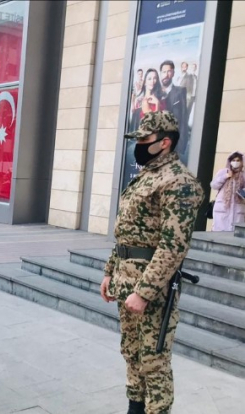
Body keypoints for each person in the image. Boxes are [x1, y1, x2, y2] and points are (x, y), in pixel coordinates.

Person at [99, 111, 203, 414]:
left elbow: (173, 246)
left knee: (154, 361)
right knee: (131, 353)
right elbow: (125, 234)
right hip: (125, 281)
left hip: (151, 290)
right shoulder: (146, 177)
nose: (139, 146)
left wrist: (144, 292)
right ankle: (135, 406)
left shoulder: (179, 182)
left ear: (165, 143)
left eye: (145, 140)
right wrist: (109, 273)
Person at [159, 60, 189, 156]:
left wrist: (181, 147)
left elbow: (184, 119)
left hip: (174, 146)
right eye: (164, 72)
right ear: (160, 73)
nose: (166, 75)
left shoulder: (180, 91)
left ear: (173, 73)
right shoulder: (155, 93)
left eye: (169, 71)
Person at [210, 151, 245, 232]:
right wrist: (225, 176)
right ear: (230, 161)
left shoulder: (243, 175)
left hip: (238, 209)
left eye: (238, 160)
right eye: (233, 160)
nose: (235, 162)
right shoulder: (223, 172)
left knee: (234, 233)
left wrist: (242, 192)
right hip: (222, 208)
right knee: (219, 232)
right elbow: (214, 185)